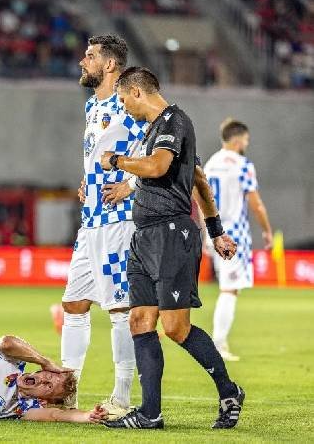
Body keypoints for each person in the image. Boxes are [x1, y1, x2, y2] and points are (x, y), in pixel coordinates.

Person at [99, 67, 244, 429]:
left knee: (176, 328)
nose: (123, 108)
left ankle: (229, 391)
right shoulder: (155, 130)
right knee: (139, 320)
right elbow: (197, 180)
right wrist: (217, 231)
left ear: (136, 92)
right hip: (144, 236)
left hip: (171, 235)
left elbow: (158, 166)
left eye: (122, 100)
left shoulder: (175, 122)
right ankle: (150, 414)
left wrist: (116, 161)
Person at [58, 34, 148, 417]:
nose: (83, 61)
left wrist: (131, 184)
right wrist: (87, 182)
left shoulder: (129, 102)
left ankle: (122, 395)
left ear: (110, 64)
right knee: (73, 303)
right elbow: (96, 156)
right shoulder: (93, 106)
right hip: (91, 218)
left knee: (119, 309)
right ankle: (67, 390)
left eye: (90, 56)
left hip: (117, 220)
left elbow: (157, 150)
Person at [204, 119, 272, 361]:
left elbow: (200, 198)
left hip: (212, 232)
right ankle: (218, 345)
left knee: (228, 287)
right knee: (230, 289)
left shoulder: (211, 163)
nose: (246, 144)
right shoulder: (243, 165)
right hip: (234, 234)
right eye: (246, 140)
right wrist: (267, 231)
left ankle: (218, 343)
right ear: (237, 139)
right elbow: (256, 204)